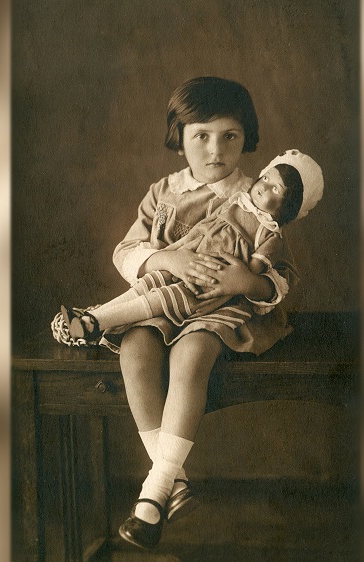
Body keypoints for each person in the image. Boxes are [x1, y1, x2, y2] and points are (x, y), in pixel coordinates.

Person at [61, 76, 318, 551]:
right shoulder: (164, 193)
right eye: (201, 135)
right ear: (179, 139)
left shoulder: (262, 198)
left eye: (229, 136)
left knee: (192, 354)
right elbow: (127, 251)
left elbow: (281, 277)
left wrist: (246, 282)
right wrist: (165, 259)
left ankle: (153, 494)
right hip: (166, 298)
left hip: (224, 309)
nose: (215, 149)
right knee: (135, 347)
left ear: (246, 139)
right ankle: (170, 482)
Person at [61, 150, 323, 347]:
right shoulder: (237, 201)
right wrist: (174, 253)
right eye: (265, 177)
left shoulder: (270, 234)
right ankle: (91, 317)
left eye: (275, 188)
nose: (263, 186)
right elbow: (206, 227)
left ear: (288, 208)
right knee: (150, 282)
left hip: (209, 279)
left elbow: (253, 270)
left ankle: (97, 323)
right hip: (188, 256)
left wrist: (239, 281)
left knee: (162, 298)